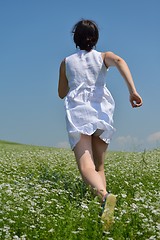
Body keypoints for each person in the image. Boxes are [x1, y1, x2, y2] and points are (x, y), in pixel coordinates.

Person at [58, 19, 143, 228]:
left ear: (76, 39)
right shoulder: (104, 57)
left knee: (85, 166)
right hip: (102, 113)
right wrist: (132, 90)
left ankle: (105, 197)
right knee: (99, 166)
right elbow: (120, 61)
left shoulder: (66, 62)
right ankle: (106, 218)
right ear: (95, 39)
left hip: (79, 114)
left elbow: (61, 93)